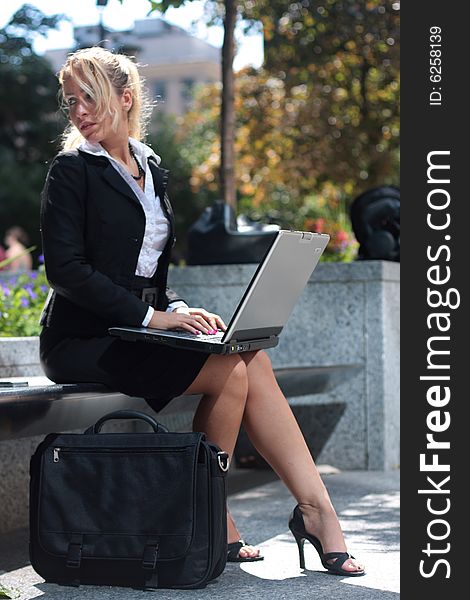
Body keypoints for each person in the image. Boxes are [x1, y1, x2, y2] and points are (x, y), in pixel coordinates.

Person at [39, 47, 364, 575]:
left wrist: (182, 311)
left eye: (89, 99)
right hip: (82, 340)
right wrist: (152, 321)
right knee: (231, 371)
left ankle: (314, 509)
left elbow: (148, 275)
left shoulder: (151, 169)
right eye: (71, 101)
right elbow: (67, 272)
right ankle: (215, 513)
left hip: (133, 330)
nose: (78, 112)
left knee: (247, 353)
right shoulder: (72, 170)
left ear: (125, 100)